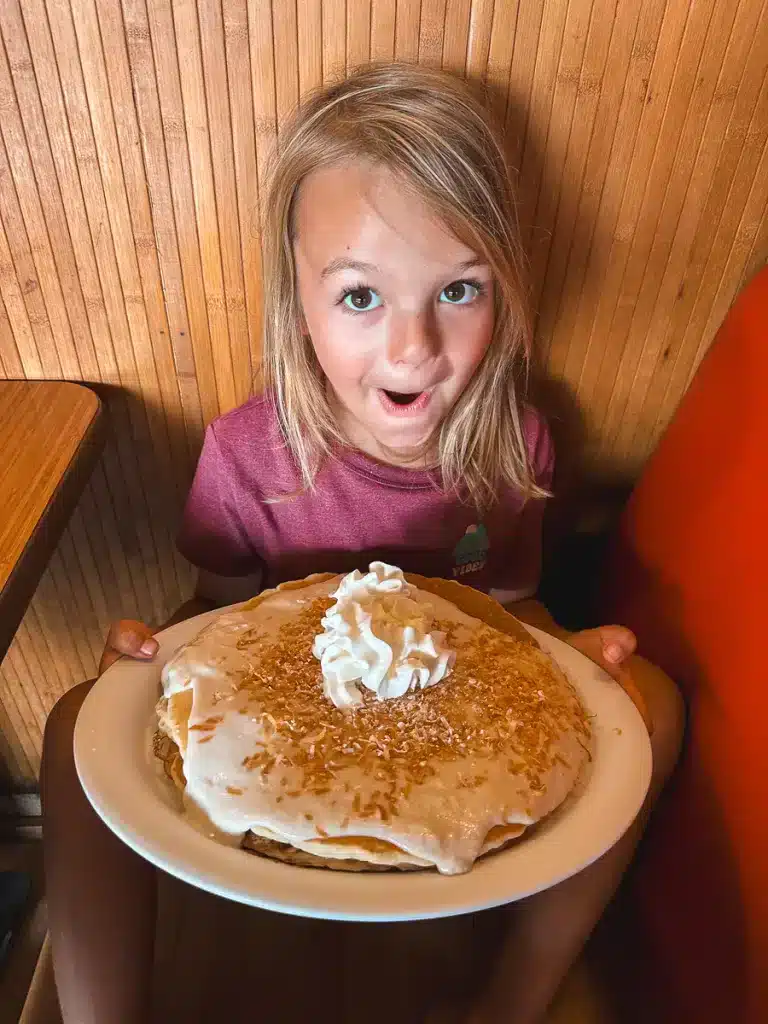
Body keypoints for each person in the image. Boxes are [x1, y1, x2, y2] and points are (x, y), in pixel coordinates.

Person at [41, 62, 684, 1024]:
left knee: (657, 707)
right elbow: (214, 617)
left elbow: (506, 612)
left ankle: (513, 1000)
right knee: (70, 727)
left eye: (459, 289)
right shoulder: (248, 453)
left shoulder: (515, 442)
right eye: (359, 298)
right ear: (295, 299)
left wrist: (580, 664)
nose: (414, 346)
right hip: (286, 737)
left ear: (505, 284)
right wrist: (140, 664)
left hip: (449, 742)